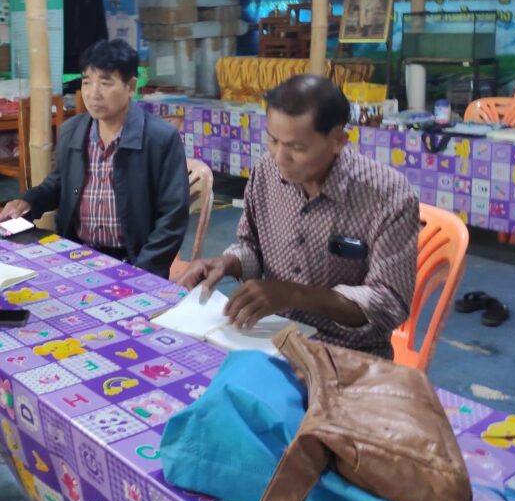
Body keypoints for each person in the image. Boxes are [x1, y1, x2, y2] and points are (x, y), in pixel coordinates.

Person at [178, 75, 417, 358]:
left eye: (297, 147)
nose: (280, 157)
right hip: (271, 338)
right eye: (273, 140)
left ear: (338, 141)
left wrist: (295, 294)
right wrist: (227, 263)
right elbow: (252, 247)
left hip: (348, 354)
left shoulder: (387, 194)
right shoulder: (266, 172)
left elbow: (388, 303)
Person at [0, 39, 189, 279]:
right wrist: (29, 201)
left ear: (130, 86)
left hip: (133, 261)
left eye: (105, 82)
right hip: (75, 255)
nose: (93, 93)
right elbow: (59, 183)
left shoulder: (160, 138)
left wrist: (142, 273)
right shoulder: (72, 131)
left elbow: (173, 217)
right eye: (87, 82)